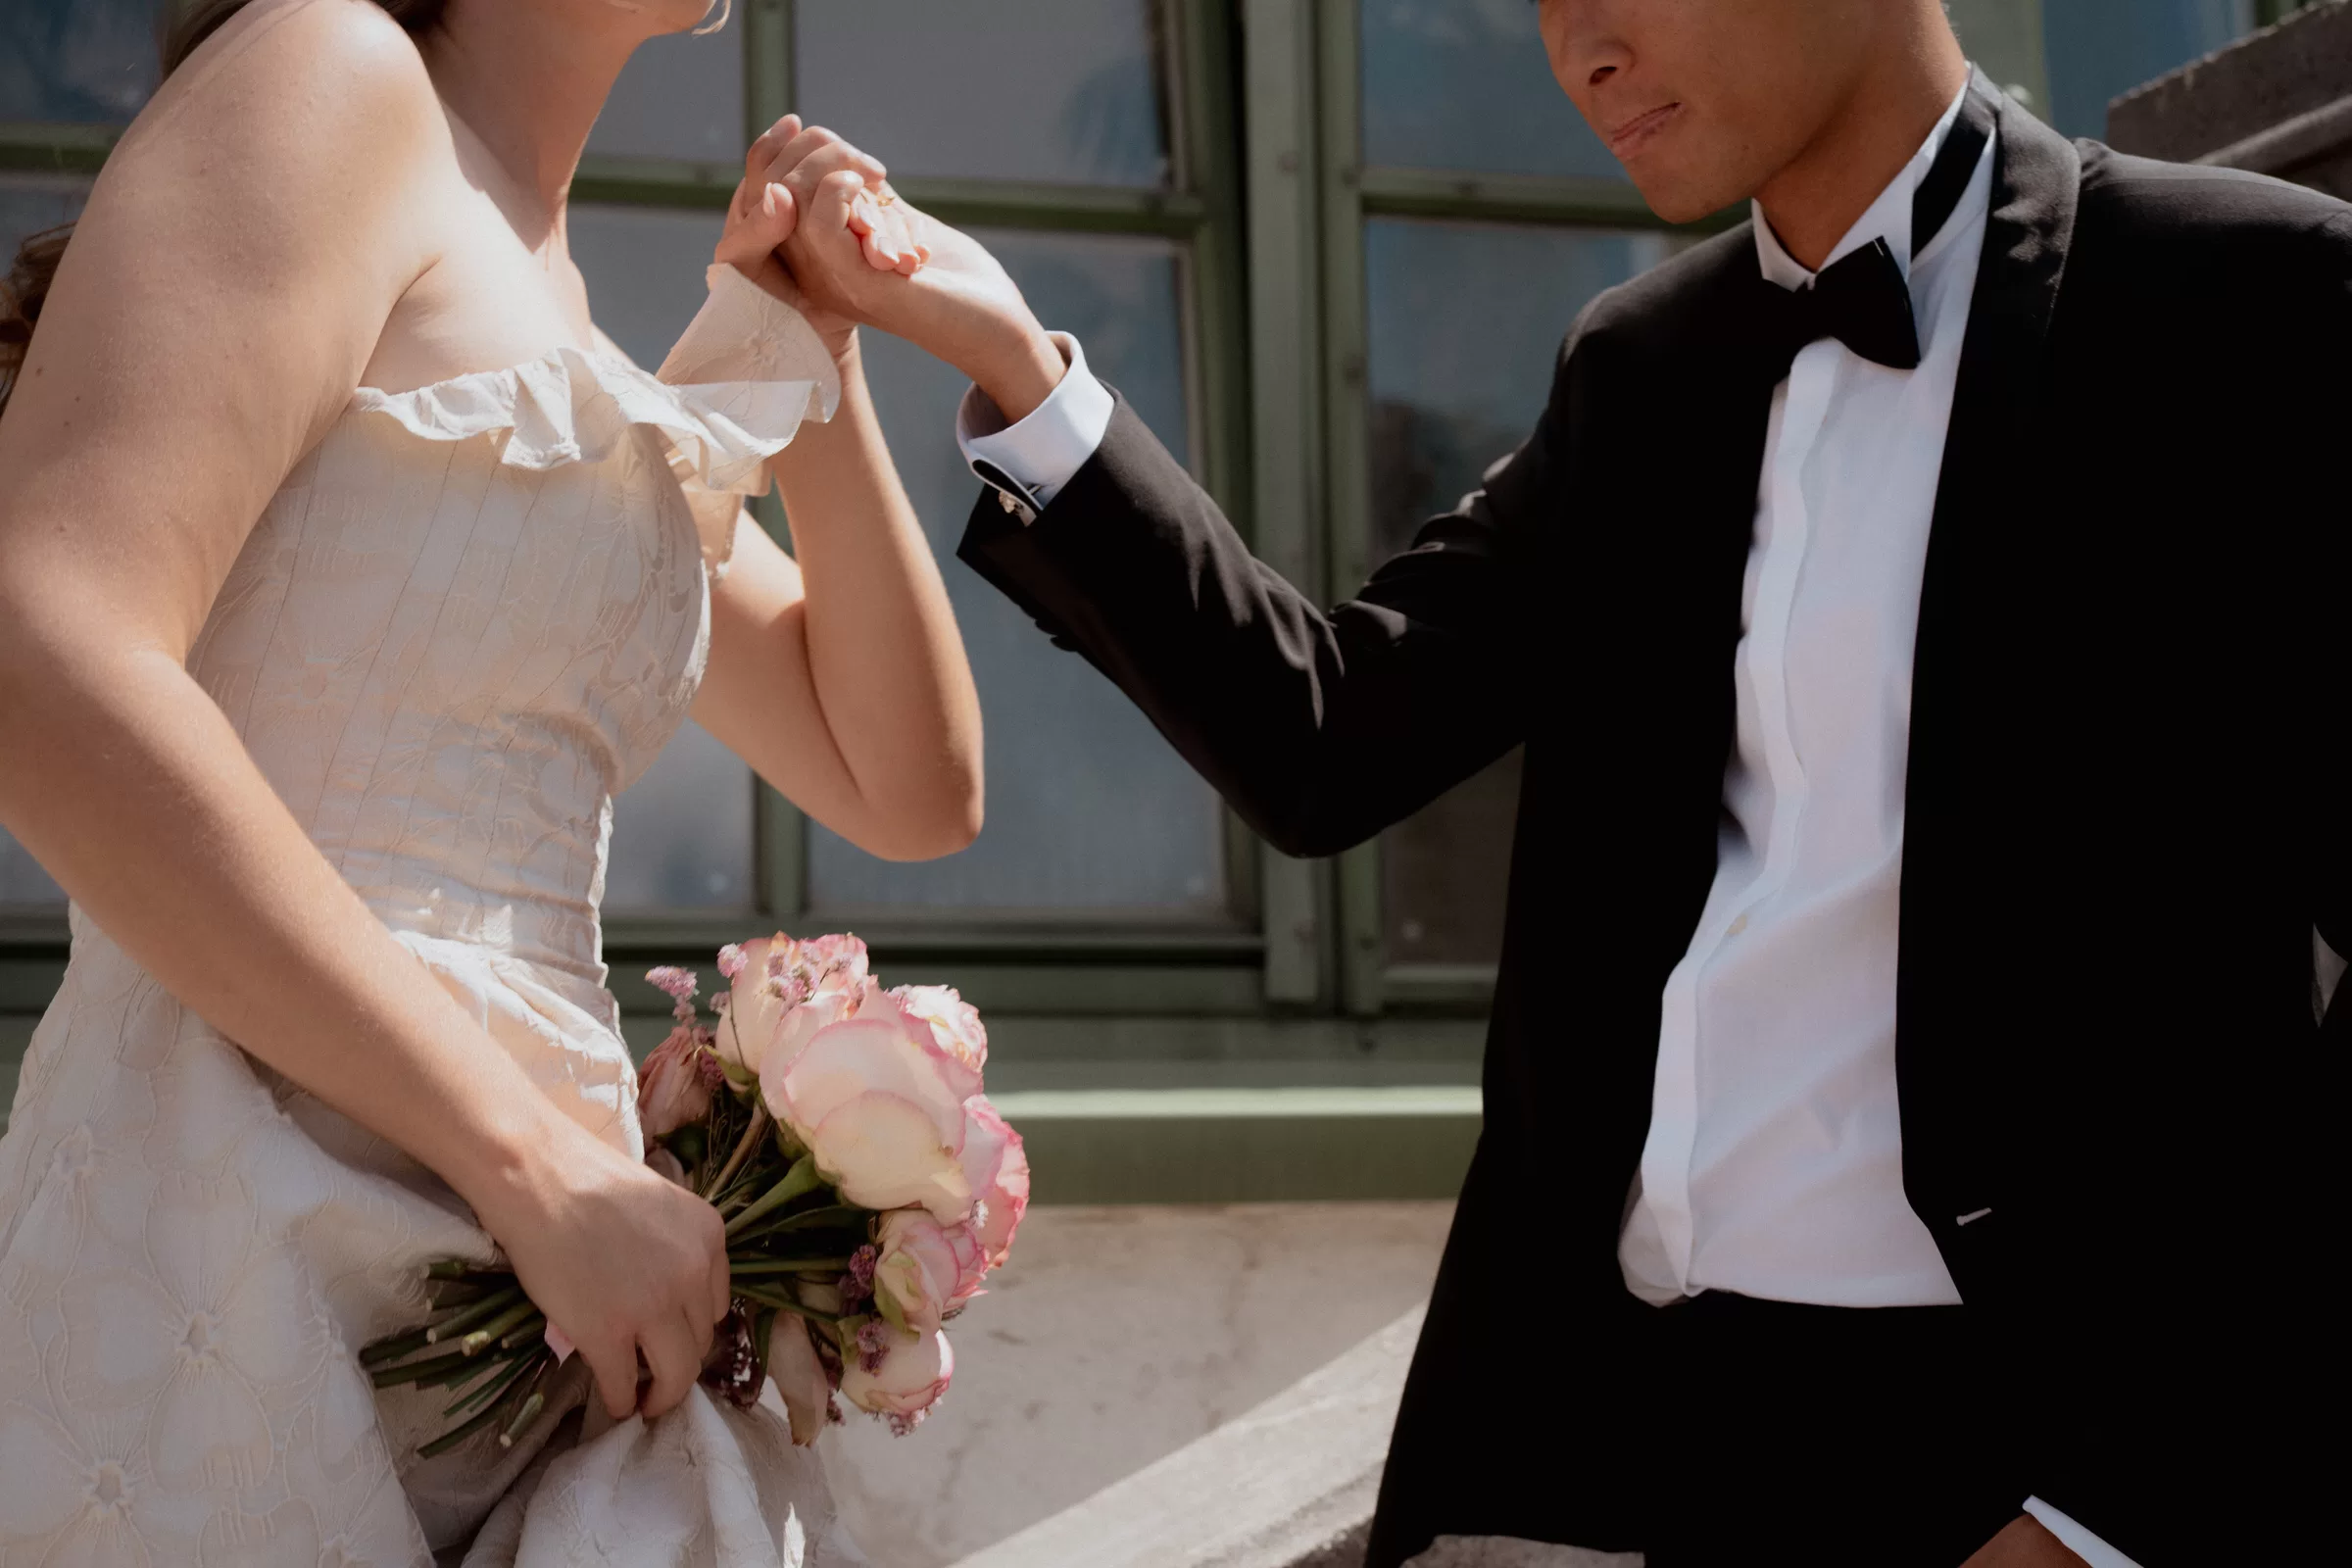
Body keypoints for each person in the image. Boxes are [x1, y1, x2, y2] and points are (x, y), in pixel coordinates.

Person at [748, 0, 2348, 1563]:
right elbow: (1328, 734)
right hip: (1627, 1447)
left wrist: (2123, 1504)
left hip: (2046, 1457)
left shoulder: (2246, 298)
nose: (1575, 43)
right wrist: (1016, 365)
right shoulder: (1643, 368)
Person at [0, 0, 977, 1561]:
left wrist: (813, 358)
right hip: (243, 1217)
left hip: (543, 1309)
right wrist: (521, 1157)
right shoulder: (332, 70)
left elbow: (908, 782)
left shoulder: (557, 337)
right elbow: (39, 659)